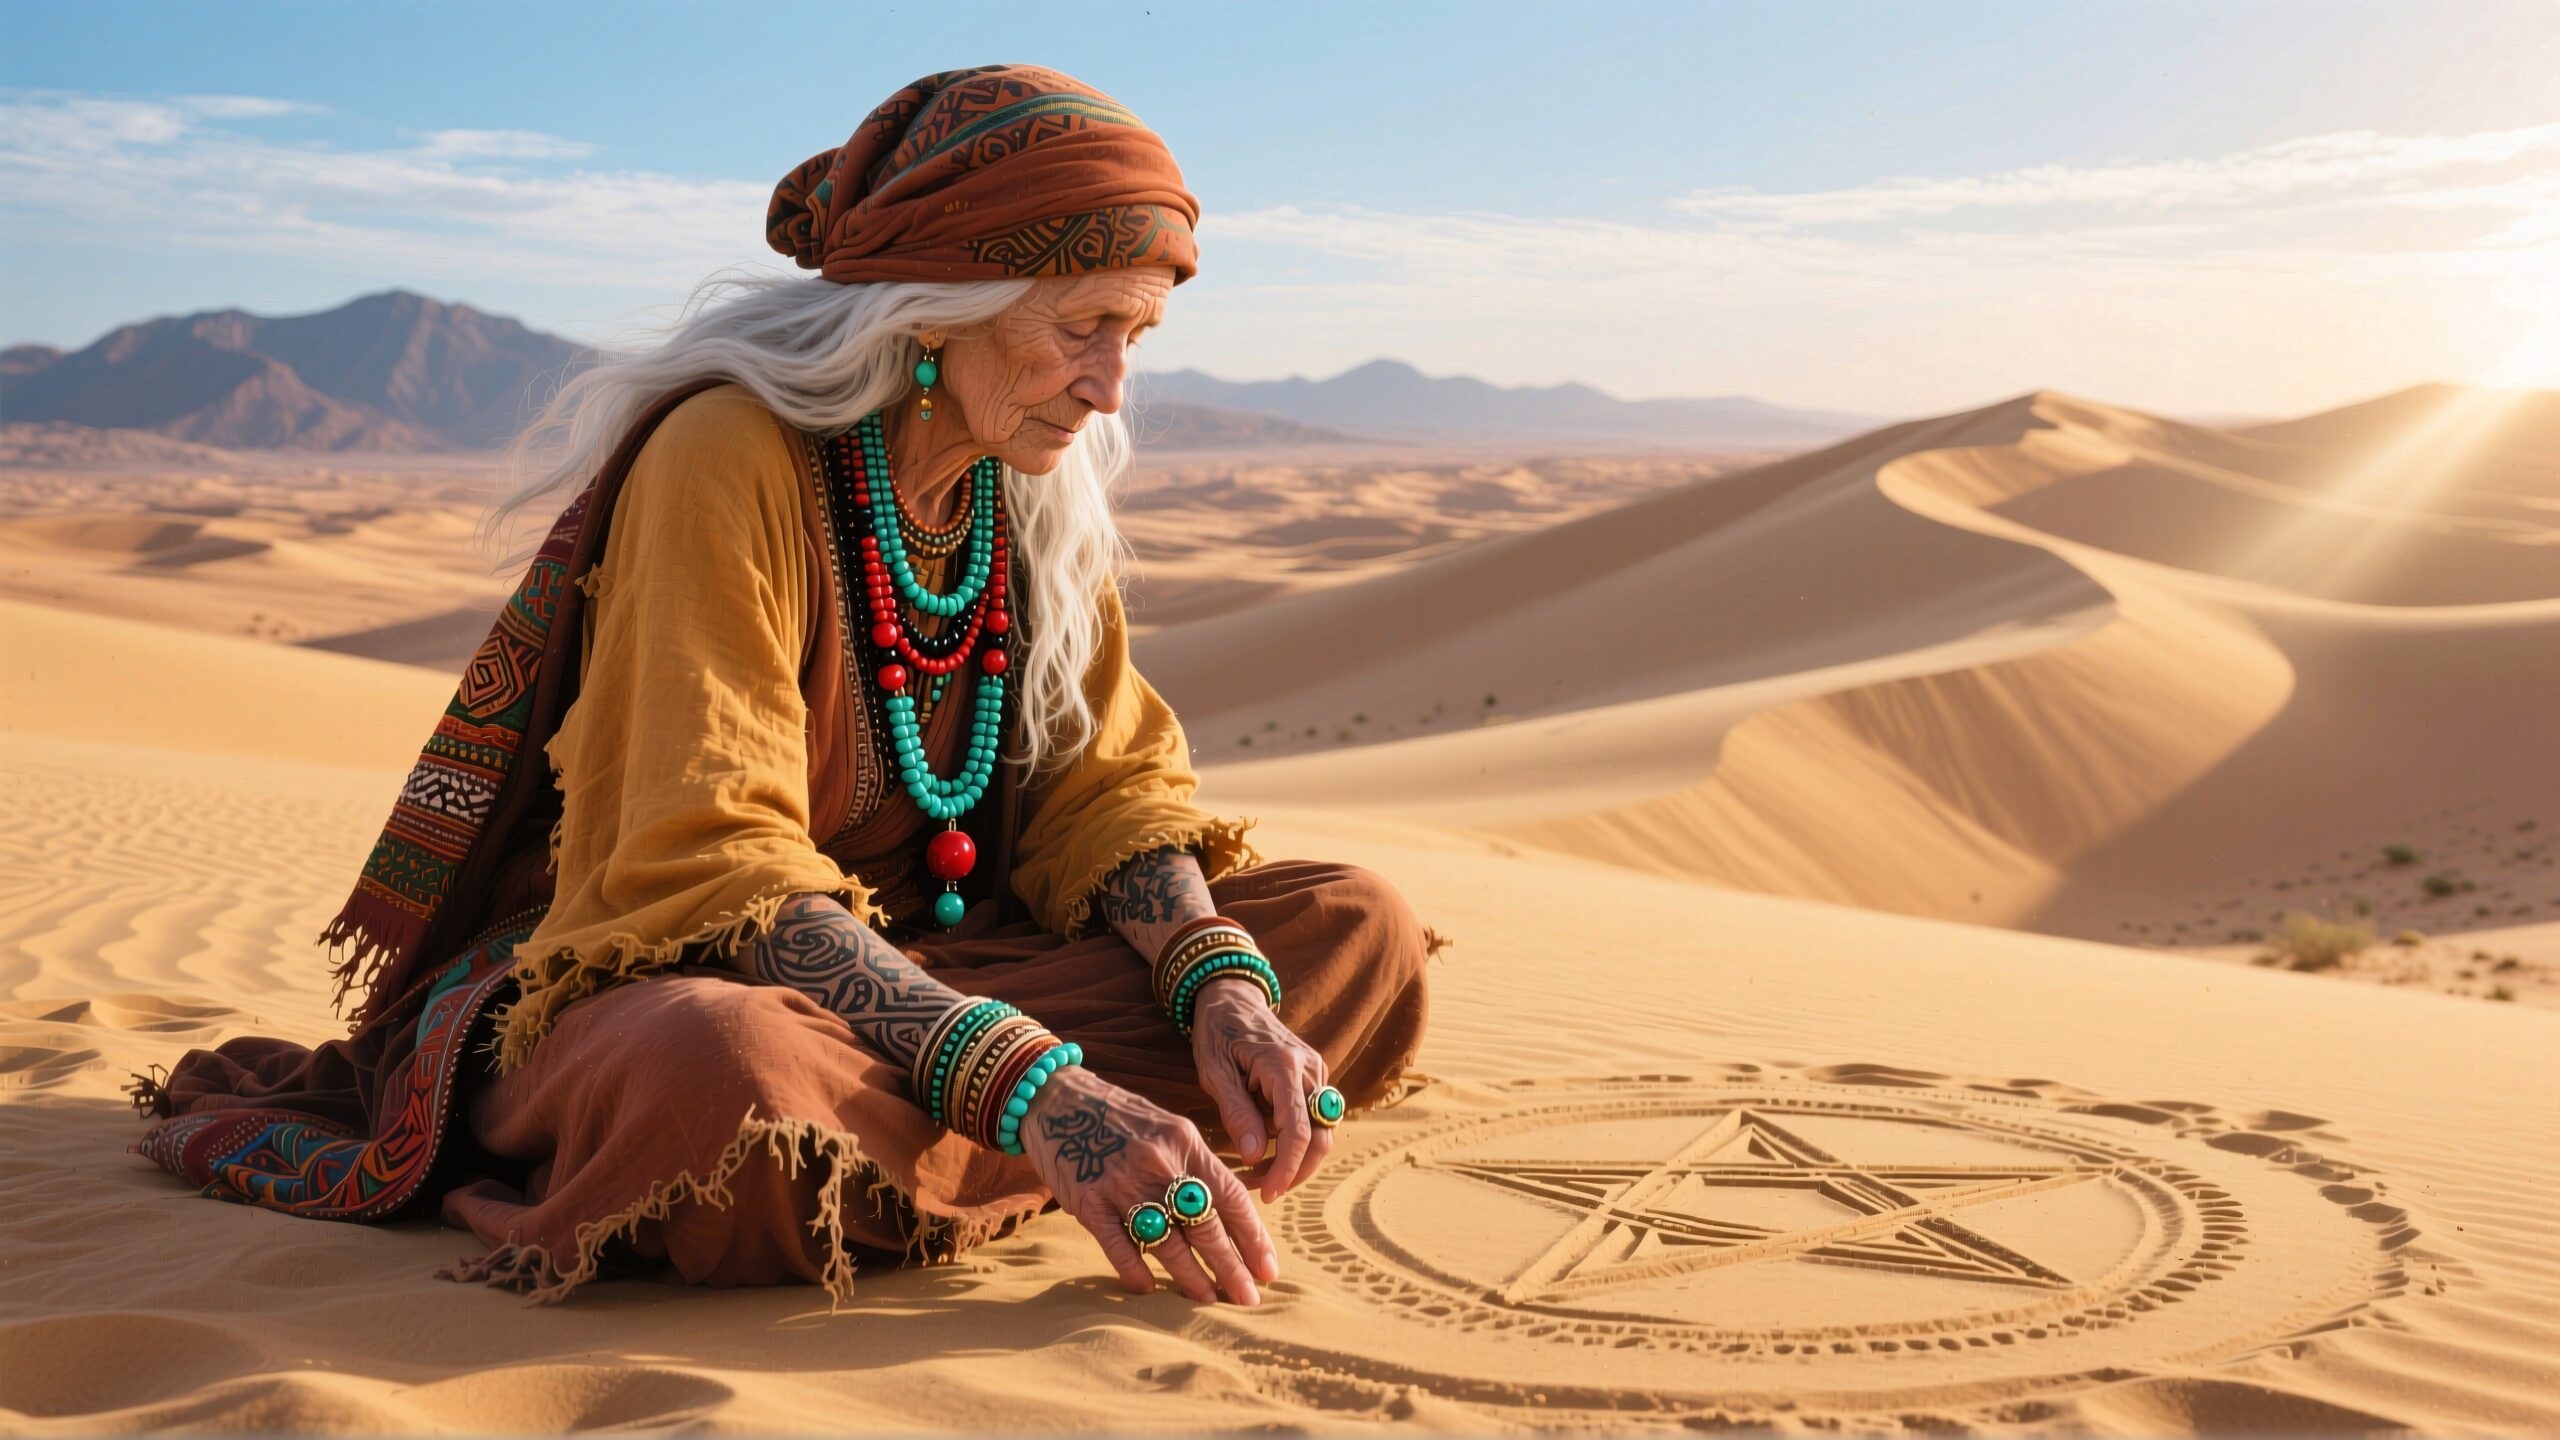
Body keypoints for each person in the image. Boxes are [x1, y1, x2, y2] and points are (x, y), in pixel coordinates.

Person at [128, 63, 1440, 1309]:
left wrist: (1222, 993)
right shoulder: (730, 455)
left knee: (1353, 930)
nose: (1110, 386)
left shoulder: (1024, 490)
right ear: (941, 308)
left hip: (926, 974)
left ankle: (989, 1156)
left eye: (1137, 335)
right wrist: (1033, 1086)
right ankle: (1046, 1149)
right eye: (1085, 327)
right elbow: (716, 865)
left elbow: (1108, 792)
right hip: (673, 984)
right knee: (722, 1082)